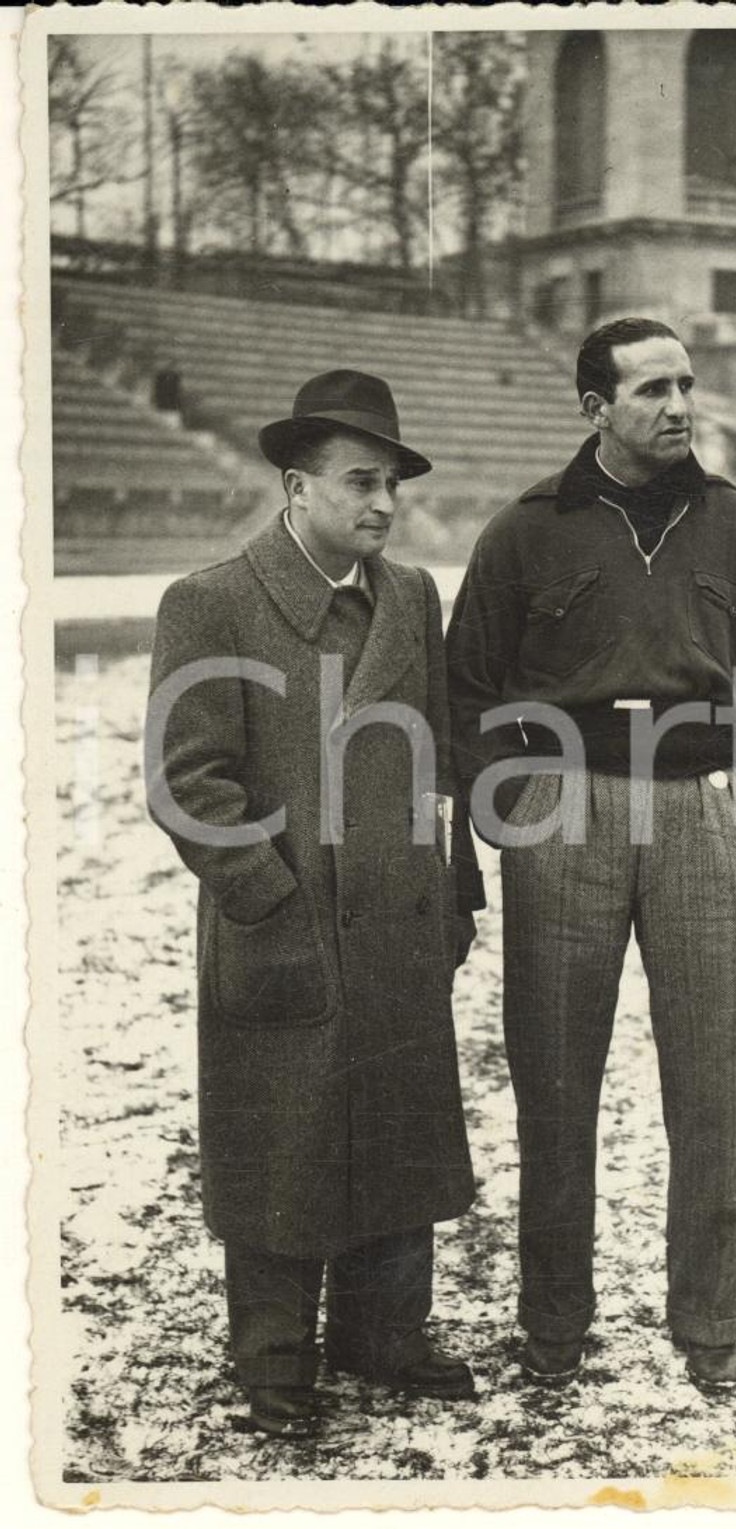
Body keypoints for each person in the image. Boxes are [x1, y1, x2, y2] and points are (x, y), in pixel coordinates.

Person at [446, 317, 736, 1395]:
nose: (677, 405)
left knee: (715, 1086)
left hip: (709, 814)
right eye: (651, 387)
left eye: (686, 385)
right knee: (555, 1084)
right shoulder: (525, 531)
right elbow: (467, 684)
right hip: (564, 815)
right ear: (592, 407)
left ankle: (711, 1323)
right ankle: (553, 1322)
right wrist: (509, 797)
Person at [145, 370, 483, 1437]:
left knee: (397, 1124)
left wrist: (455, 888)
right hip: (281, 923)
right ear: (297, 485)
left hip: (397, 921)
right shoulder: (211, 600)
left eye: (391, 484)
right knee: (283, 1139)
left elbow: (436, 759)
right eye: (361, 482)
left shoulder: (412, 595)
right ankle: (276, 1355)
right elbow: (186, 779)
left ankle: (383, 1334)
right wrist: (270, 897)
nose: (383, 504)